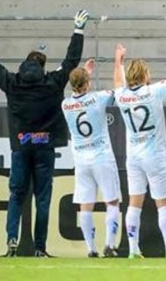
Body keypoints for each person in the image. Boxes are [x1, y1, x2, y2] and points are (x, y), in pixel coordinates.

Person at [0, 10, 88, 257]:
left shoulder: (12, 83)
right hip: (44, 149)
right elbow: (71, 61)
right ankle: (39, 248)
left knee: (16, 196)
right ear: (42, 67)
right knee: (42, 199)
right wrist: (78, 31)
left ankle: (12, 242)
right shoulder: (52, 83)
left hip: (20, 149)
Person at [113, 42, 166, 259]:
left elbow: (118, 82)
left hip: (134, 157)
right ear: (145, 75)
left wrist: (118, 60)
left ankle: (133, 249)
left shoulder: (122, 96)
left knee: (134, 203)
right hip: (154, 154)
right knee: (163, 203)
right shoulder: (153, 91)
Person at [61, 59, 121, 258]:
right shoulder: (99, 98)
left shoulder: (66, 104)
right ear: (88, 83)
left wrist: (83, 74)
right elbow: (119, 90)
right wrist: (118, 62)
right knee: (112, 201)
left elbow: (77, 93)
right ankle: (110, 245)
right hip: (101, 156)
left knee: (85, 204)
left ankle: (90, 248)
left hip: (81, 160)